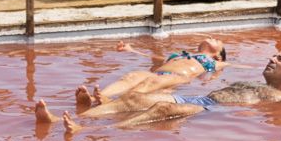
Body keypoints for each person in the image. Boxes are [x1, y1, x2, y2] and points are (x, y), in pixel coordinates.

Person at [39, 46, 281, 130]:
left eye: (280, 59)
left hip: (211, 110)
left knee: (163, 107)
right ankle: (70, 118)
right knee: (135, 97)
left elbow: (279, 123)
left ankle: (85, 131)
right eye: (274, 56)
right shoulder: (256, 83)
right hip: (201, 98)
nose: (272, 59)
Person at [83, 37, 227, 104]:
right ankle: (97, 98)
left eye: (217, 41)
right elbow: (158, 58)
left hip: (177, 77)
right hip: (157, 73)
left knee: (151, 81)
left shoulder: (215, 62)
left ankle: (113, 103)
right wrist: (131, 50)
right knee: (132, 76)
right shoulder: (182, 55)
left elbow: (234, 67)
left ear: (218, 56)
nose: (212, 38)